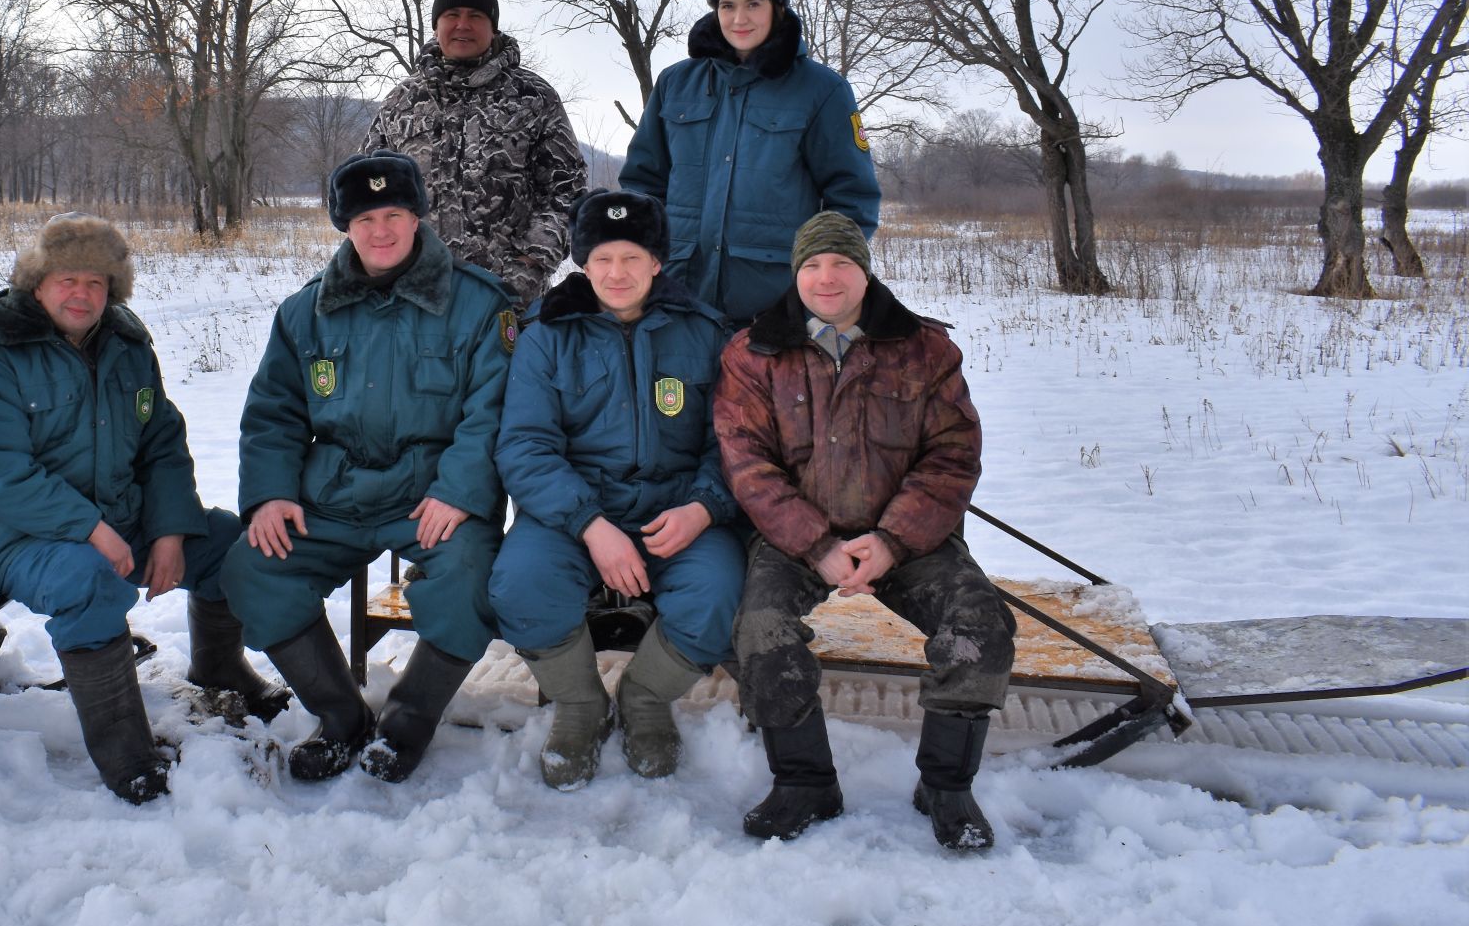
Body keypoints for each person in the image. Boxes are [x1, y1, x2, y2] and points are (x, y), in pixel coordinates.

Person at [0, 213, 286, 805]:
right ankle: (125, 752)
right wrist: (90, 529)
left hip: (123, 519)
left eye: (96, 282)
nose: (82, 293)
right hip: (12, 533)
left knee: (230, 545)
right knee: (87, 579)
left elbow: (162, 446)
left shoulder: (127, 349)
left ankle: (221, 670)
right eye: (67, 280)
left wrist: (173, 531)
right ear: (38, 284)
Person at [713, 211, 1014, 851]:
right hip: (797, 543)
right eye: (813, 264)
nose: (827, 278)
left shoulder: (925, 349)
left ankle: (947, 787)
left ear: (865, 269)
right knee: (761, 632)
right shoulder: (753, 353)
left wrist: (894, 540)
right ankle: (804, 783)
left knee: (980, 625)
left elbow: (954, 453)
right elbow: (747, 464)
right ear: (795, 272)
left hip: (908, 539)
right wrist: (817, 545)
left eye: (842, 263)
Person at [221, 151, 516, 783]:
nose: (379, 231)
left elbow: (491, 413)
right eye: (363, 219)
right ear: (342, 226)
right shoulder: (305, 313)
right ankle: (340, 719)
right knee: (254, 566)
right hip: (334, 494)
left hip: (431, 496)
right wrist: (270, 494)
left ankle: (408, 723)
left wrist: (461, 492)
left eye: (392, 214)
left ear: (417, 217)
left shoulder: (477, 304)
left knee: (472, 574)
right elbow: (272, 412)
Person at [490, 189, 741, 790]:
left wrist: (704, 509)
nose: (617, 272)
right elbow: (524, 446)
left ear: (658, 262)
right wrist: (591, 526)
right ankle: (580, 705)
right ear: (582, 263)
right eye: (602, 258)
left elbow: (735, 444)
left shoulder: (706, 333)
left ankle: (645, 698)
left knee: (717, 592)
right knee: (519, 584)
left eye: (632, 257)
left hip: (677, 508)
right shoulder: (546, 335)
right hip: (575, 512)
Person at [621, 0, 881, 326]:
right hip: (677, 299)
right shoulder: (676, 83)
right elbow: (643, 187)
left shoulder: (822, 90)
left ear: (778, 6)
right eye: (728, 5)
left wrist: (820, 281)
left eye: (753, 3)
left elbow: (852, 200)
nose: (739, 19)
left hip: (775, 307)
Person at [364, 0, 587, 309]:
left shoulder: (533, 96)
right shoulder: (402, 101)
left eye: (476, 16)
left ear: (492, 27)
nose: (463, 25)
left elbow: (568, 190)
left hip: (509, 299)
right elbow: (367, 192)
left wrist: (529, 264)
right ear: (437, 26)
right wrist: (388, 264)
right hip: (416, 296)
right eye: (452, 15)